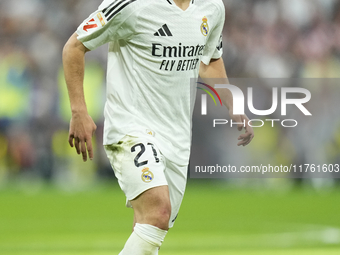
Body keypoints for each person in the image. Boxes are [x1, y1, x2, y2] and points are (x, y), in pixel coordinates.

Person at [62, 0, 254, 254]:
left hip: (177, 137)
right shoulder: (133, 5)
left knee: (149, 228)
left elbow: (209, 60)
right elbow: (74, 47)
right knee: (158, 211)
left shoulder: (212, 7)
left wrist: (232, 103)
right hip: (132, 126)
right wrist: (79, 110)